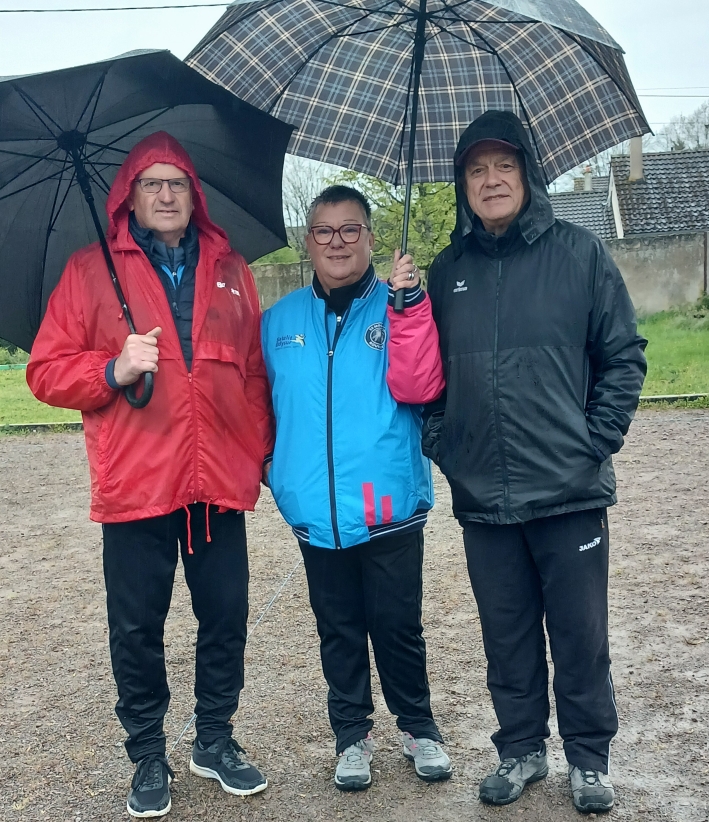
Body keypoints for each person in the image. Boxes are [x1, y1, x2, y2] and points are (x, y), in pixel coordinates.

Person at [27, 132, 273, 819]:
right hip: (138, 486)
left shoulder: (231, 270)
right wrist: (112, 368)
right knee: (137, 628)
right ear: (127, 197)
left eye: (177, 184)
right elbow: (44, 371)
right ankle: (146, 752)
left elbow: (252, 375)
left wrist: (253, 454)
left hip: (216, 484)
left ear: (195, 196)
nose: (166, 195)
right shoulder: (89, 271)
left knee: (225, 618)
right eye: (151, 184)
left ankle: (215, 740)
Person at [423, 111, 647, 815]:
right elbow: (420, 374)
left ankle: (587, 759)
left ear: (526, 175)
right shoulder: (445, 271)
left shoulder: (578, 254)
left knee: (579, 637)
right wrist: (444, 441)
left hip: (568, 489)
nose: (490, 181)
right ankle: (520, 749)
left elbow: (623, 354)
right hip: (483, 493)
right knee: (506, 634)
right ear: (462, 184)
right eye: (475, 170)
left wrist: (596, 438)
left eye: (503, 167)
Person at [261, 185, 452, 791]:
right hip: (315, 509)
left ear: (371, 238)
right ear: (307, 241)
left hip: (387, 504)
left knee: (397, 624)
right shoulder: (279, 321)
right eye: (324, 230)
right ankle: (350, 734)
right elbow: (259, 406)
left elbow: (422, 388)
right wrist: (276, 470)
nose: (337, 242)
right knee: (337, 624)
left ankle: (418, 725)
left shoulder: (400, 306)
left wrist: (412, 306)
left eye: (350, 230)